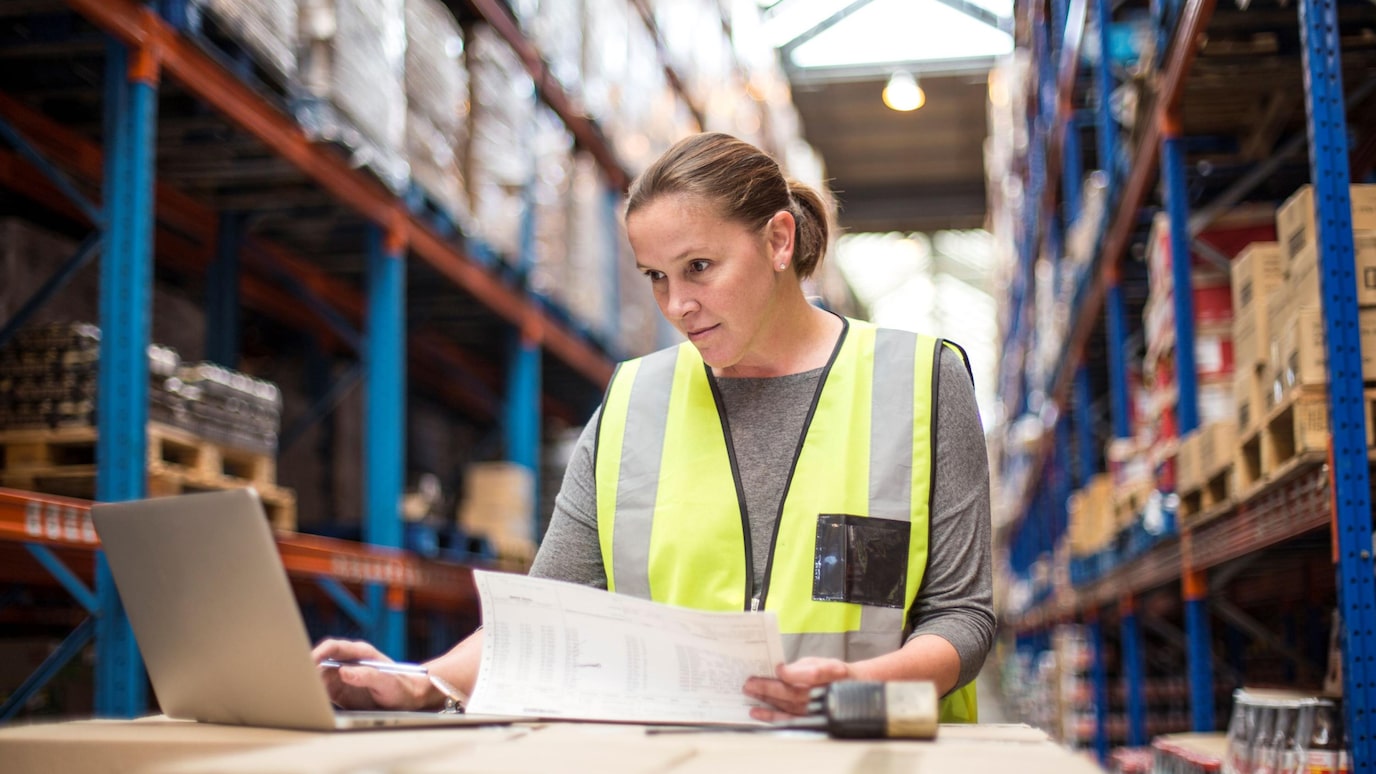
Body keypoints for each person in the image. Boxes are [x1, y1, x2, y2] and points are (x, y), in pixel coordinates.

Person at [314, 132, 995, 723]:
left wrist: (858, 689)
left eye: (699, 268)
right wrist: (423, 682)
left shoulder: (920, 382)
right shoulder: (635, 400)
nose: (678, 305)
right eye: (655, 278)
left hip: (870, 753)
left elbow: (962, 617)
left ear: (778, 240)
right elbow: (551, 612)